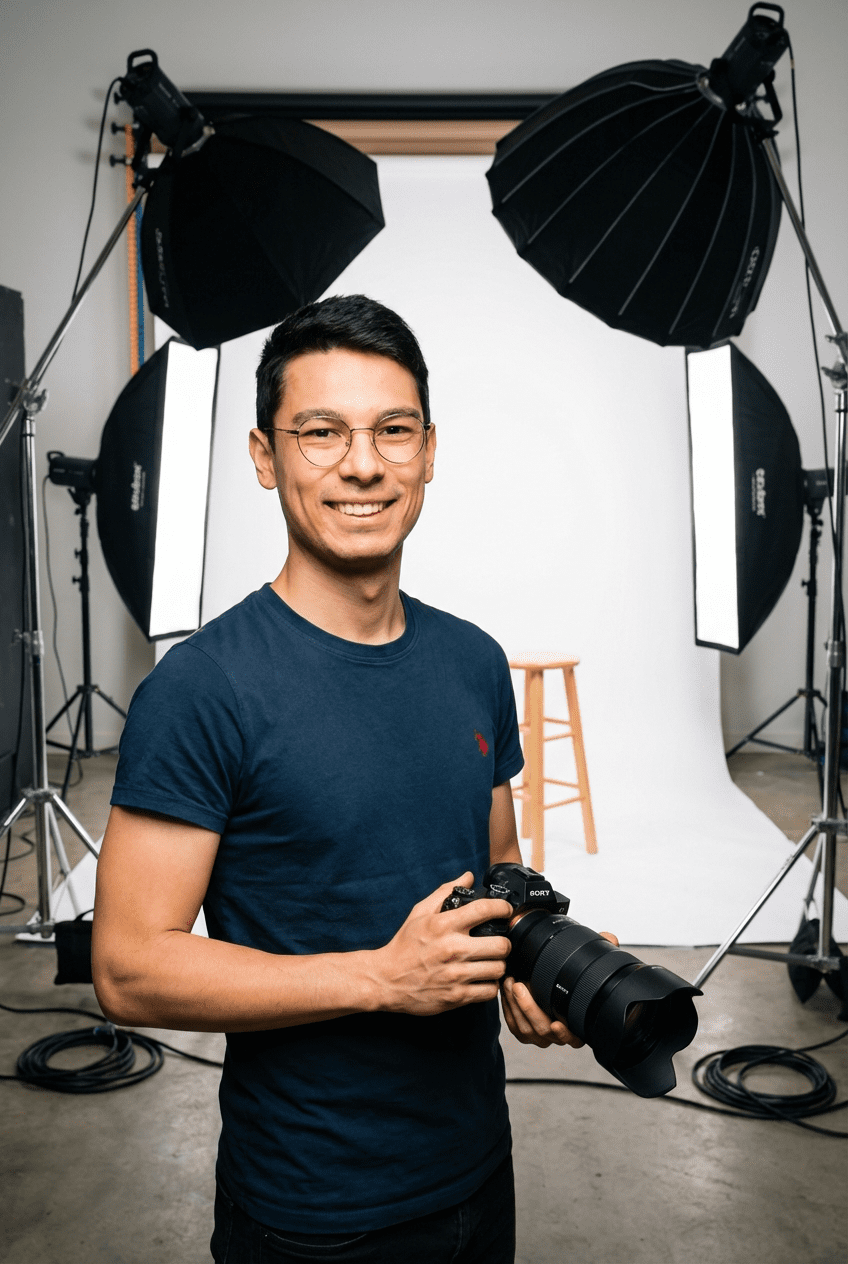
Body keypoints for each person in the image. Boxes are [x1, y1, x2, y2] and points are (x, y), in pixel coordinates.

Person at [92, 294, 601, 1264]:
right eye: (319, 432)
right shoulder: (202, 689)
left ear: (429, 449)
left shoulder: (472, 661)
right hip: (310, 1207)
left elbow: (495, 875)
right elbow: (127, 965)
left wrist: (540, 964)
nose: (362, 464)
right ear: (262, 455)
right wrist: (379, 978)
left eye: (390, 430)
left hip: (474, 1172)